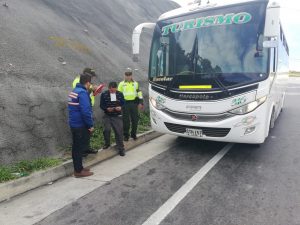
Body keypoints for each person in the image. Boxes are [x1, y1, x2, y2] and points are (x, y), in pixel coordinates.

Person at [68, 73, 94, 177]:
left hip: (74, 123)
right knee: (78, 148)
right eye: (90, 83)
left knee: (76, 147)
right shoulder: (82, 93)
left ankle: (79, 168)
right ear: (87, 83)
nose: (90, 85)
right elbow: (85, 111)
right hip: (80, 125)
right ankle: (78, 171)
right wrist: (90, 125)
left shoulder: (74, 91)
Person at [72, 68, 98, 155]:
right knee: (84, 130)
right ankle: (82, 150)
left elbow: (88, 93)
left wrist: (94, 91)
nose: (92, 79)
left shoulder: (87, 82)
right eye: (91, 76)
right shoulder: (77, 81)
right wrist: (91, 89)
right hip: (82, 109)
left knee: (87, 131)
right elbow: (81, 92)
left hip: (88, 107)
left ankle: (86, 148)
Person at [100, 82, 126, 156]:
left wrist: (120, 107)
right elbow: (101, 105)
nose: (113, 92)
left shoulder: (120, 94)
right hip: (107, 115)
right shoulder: (104, 94)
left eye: (114, 90)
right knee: (107, 130)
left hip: (117, 116)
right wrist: (107, 108)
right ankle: (107, 143)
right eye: (111, 91)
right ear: (109, 88)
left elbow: (123, 103)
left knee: (119, 132)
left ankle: (121, 149)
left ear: (116, 88)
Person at [118, 68, 144, 141]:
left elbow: (139, 93)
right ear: (124, 75)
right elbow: (118, 95)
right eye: (126, 75)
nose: (128, 76)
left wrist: (141, 102)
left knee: (135, 120)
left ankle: (133, 134)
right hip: (125, 104)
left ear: (131, 75)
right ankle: (126, 135)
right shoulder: (121, 84)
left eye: (129, 75)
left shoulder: (135, 83)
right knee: (126, 121)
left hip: (133, 104)